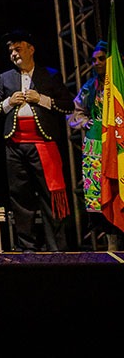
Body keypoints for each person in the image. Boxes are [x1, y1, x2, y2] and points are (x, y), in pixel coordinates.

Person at [0, 29, 76, 252]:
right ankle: (27, 246)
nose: (14, 54)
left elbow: (67, 105)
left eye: (18, 49)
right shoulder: (5, 78)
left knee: (51, 196)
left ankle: (56, 247)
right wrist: (8, 102)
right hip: (15, 146)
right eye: (11, 51)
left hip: (43, 145)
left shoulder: (50, 75)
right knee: (20, 196)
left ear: (30, 49)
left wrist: (43, 99)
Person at [67, 40, 122, 249]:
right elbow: (74, 112)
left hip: (118, 145)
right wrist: (85, 122)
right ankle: (111, 245)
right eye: (93, 60)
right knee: (100, 195)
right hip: (96, 145)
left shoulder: (121, 83)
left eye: (101, 59)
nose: (96, 63)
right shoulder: (90, 87)